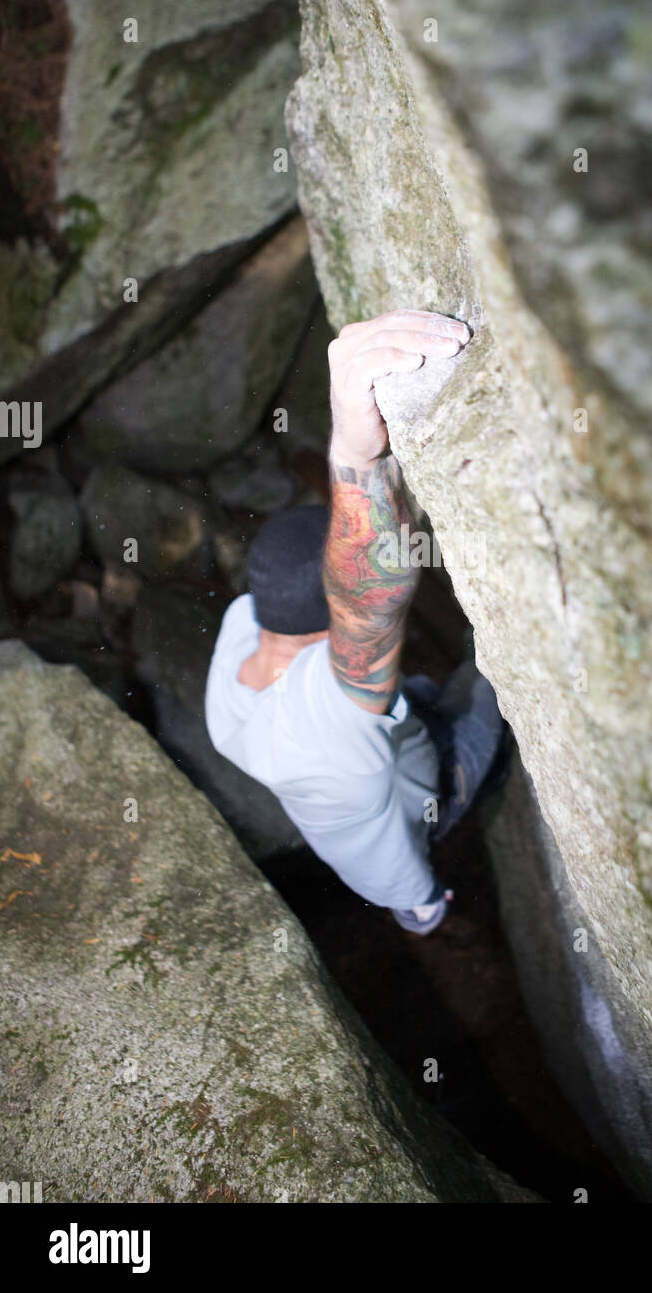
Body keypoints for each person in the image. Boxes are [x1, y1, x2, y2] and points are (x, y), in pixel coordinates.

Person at [204, 309, 507, 935]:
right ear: (331, 617)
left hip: (368, 788)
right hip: (424, 807)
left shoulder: (241, 634)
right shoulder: (329, 724)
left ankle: (420, 714)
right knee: (493, 681)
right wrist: (355, 454)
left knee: (412, 701)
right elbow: (369, 602)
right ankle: (493, 776)